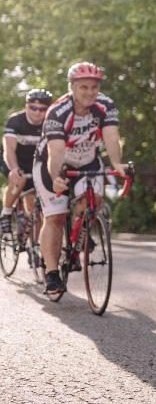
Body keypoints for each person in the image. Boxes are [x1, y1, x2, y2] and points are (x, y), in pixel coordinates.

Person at [33, 64, 128, 297]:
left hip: (87, 160)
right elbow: (55, 152)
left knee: (93, 200)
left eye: (94, 87)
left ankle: (76, 242)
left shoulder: (106, 106)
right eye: (83, 87)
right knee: (55, 216)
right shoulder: (57, 112)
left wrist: (116, 164)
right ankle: (52, 274)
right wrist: (56, 178)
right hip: (53, 162)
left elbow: (111, 136)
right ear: (72, 87)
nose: (89, 92)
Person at [1, 89, 53, 235]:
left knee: (34, 209)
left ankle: (34, 249)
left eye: (42, 109)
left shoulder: (51, 124)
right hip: (13, 159)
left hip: (37, 163)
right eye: (33, 107)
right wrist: (14, 168)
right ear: (26, 106)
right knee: (19, 178)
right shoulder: (16, 121)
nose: (37, 112)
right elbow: (9, 149)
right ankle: (6, 212)